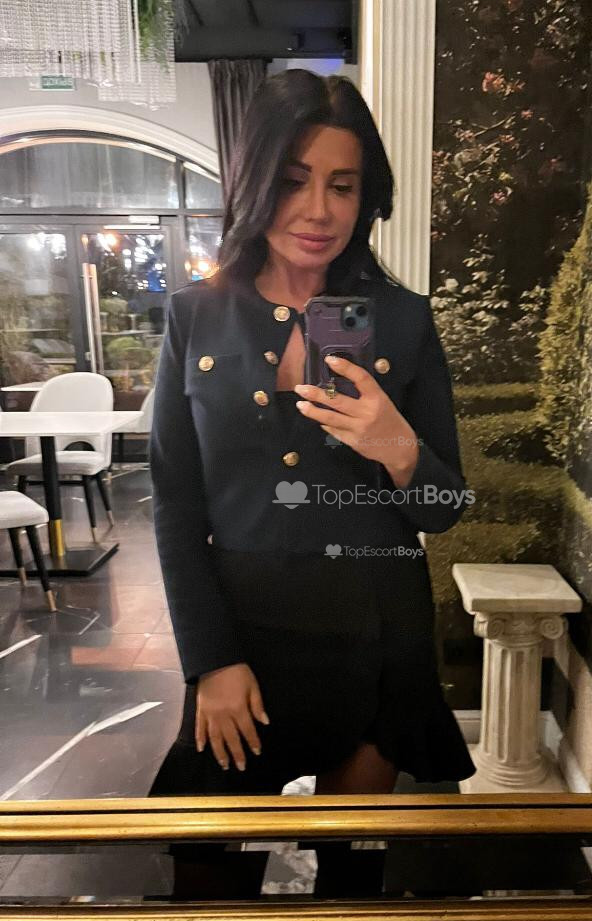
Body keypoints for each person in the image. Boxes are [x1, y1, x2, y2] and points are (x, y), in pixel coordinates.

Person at [147, 68, 476, 814]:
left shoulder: (402, 321)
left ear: (367, 198)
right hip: (242, 636)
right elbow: (174, 504)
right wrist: (211, 660)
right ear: (256, 183)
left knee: (352, 869)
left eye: (343, 186)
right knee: (209, 865)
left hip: (377, 634)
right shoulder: (197, 316)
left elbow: (445, 507)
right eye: (294, 181)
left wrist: (398, 448)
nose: (319, 210)